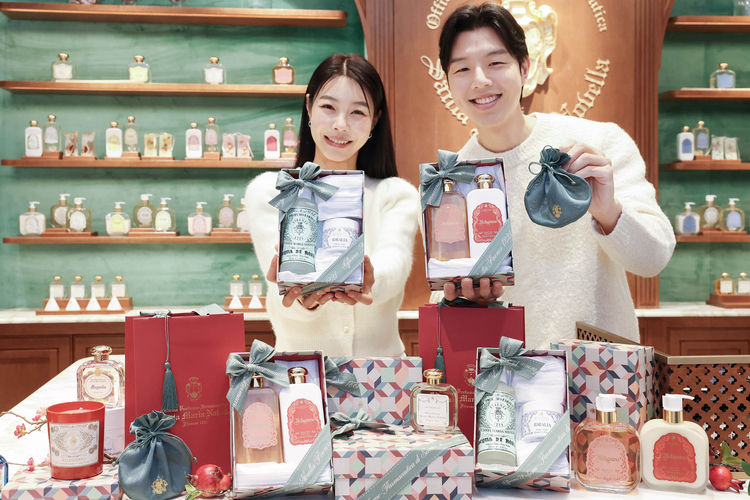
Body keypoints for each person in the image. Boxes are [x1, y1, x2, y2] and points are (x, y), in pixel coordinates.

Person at [433, 3, 675, 348]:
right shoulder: (449, 181)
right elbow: (444, 298)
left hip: (600, 371)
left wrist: (608, 212)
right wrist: (466, 299)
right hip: (509, 374)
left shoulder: (597, 145)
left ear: (525, 67)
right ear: (448, 81)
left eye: (496, 63)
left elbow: (654, 259)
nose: (480, 80)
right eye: (462, 69)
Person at [245, 53, 420, 357]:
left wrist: (368, 278)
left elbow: (396, 261)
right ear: (309, 107)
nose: (341, 125)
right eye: (328, 107)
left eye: (358, 112)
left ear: (374, 121)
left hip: (382, 378)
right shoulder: (271, 191)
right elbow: (280, 291)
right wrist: (301, 297)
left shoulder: (395, 194)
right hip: (301, 375)